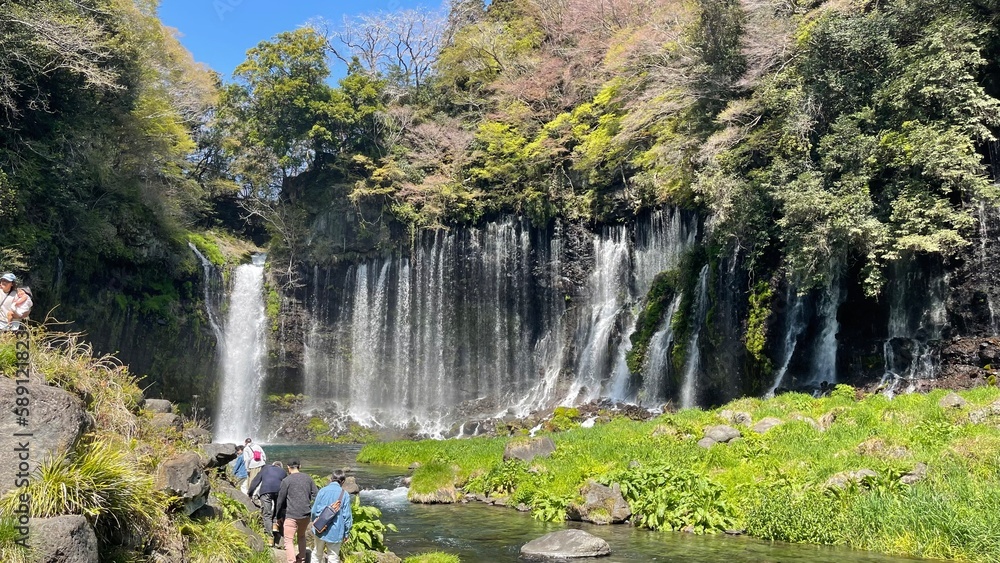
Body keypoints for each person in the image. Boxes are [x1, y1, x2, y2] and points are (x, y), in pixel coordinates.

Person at [275, 459, 318, 563]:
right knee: (301, 536)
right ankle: (302, 559)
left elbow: (280, 499)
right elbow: (316, 494)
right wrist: (310, 506)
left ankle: (291, 561)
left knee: (288, 539)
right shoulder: (308, 478)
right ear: (300, 466)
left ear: (288, 467)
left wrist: (278, 515)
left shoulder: (287, 480)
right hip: (305, 514)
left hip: (291, 515)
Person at [311, 469, 353, 563]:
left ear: (331, 479)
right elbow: (347, 517)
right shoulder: (344, 495)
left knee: (317, 554)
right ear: (342, 481)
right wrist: (346, 533)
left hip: (320, 528)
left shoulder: (322, 491)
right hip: (336, 531)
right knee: (333, 557)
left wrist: (315, 522)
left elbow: (314, 511)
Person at [248, 460, 287, 547]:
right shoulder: (283, 472)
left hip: (266, 491)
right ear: (280, 467)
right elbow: (286, 485)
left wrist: (250, 493)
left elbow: (255, 481)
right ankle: (275, 525)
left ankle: (269, 538)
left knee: (267, 514)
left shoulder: (265, 468)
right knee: (278, 509)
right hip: (279, 491)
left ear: (272, 465)